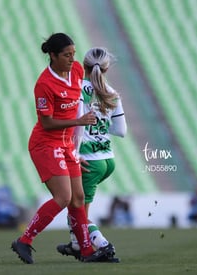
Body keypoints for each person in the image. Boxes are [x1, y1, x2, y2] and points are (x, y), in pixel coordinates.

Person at [11, 33, 114, 264]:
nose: (71, 59)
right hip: (46, 144)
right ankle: (25, 240)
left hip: (68, 145)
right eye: (66, 55)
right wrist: (78, 123)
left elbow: (78, 108)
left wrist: (76, 150)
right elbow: (46, 123)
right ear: (53, 55)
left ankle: (86, 251)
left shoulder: (77, 71)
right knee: (63, 197)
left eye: (73, 54)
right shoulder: (44, 84)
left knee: (78, 198)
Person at [56, 47, 127, 261]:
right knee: (75, 208)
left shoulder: (79, 89)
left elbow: (77, 126)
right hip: (107, 159)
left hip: (88, 161)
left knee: (78, 213)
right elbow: (121, 130)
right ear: (106, 68)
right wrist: (102, 126)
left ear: (84, 66)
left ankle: (104, 245)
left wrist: (75, 154)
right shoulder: (112, 93)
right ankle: (77, 244)